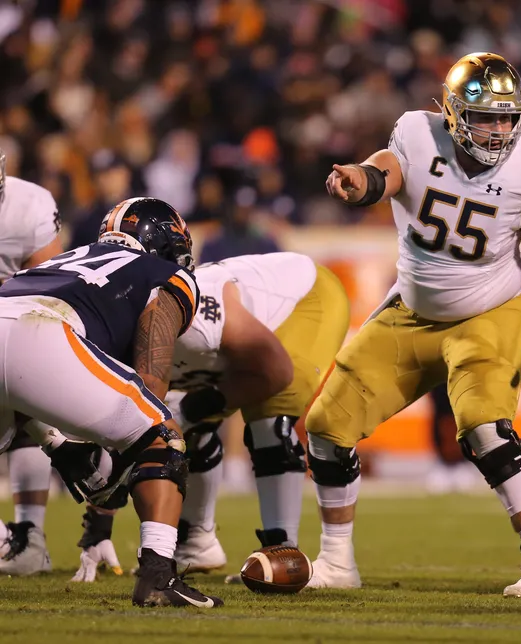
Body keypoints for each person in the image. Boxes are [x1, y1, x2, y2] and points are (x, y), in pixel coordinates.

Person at [307, 52, 521, 598]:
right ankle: (337, 562)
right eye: (486, 116)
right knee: (325, 426)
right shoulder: (417, 134)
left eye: (508, 116)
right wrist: (355, 184)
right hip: (412, 312)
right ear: (454, 114)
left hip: (489, 311)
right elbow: (381, 172)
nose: (499, 129)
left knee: (483, 424)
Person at [69, 252, 350, 581]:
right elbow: (125, 432)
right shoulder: (117, 332)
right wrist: (99, 527)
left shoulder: (196, 316)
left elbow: (274, 372)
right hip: (220, 342)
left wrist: (189, 410)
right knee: (174, 428)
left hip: (303, 301)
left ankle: (282, 550)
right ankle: (198, 540)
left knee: (270, 415)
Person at [0, 197, 222, 608]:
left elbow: (10, 363)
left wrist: (57, 443)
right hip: (44, 331)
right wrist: (132, 453)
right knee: (162, 436)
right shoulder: (167, 273)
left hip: (12, 313)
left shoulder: (63, 258)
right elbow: (150, 377)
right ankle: (158, 575)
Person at [0, 149, 66, 576]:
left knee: (31, 403)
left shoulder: (29, 206)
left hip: (12, 319)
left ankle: (30, 538)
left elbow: (48, 289)